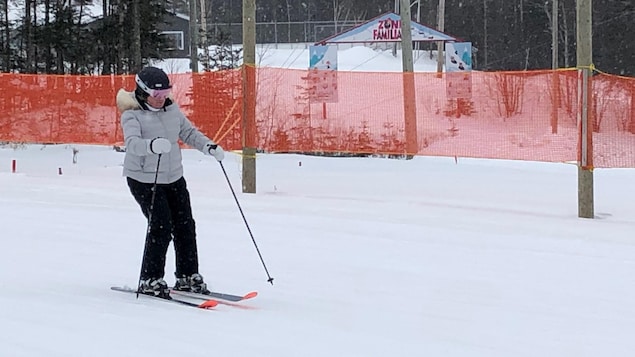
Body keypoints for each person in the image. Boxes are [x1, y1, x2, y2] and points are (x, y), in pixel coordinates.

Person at [116, 66, 225, 298]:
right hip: (144, 179)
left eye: (165, 92)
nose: (161, 98)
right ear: (143, 92)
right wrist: (151, 145)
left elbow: (188, 132)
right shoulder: (131, 114)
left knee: (185, 225)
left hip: (174, 176)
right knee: (161, 226)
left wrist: (208, 146)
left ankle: (187, 276)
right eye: (156, 95)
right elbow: (132, 143)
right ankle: (150, 278)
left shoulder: (171, 110)